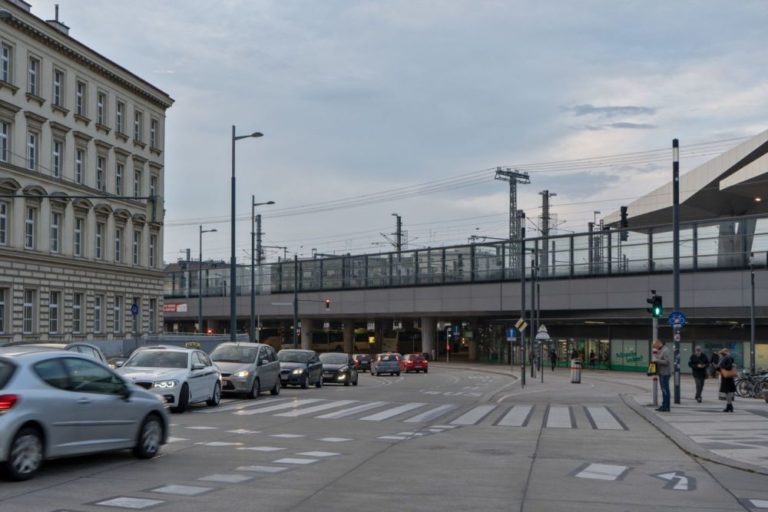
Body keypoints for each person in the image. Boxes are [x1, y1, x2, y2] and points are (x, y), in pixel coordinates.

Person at [652, 339, 672, 411]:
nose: (654, 347)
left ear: (658, 343)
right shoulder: (661, 350)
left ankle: (666, 406)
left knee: (665, 390)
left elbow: (667, 362)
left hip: (665, 373)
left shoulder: (665, 350)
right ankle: (664, 405)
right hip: (661, 373)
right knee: (664, 390)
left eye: (655, 345)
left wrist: (657, 360)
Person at [717, 348, 736, 412]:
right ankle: (729, 405)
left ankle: (729, 405)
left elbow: (729, 366)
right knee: (728, 391)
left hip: (726, 377)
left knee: (727, 391)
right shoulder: (728, 358)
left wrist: (721, 367)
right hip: (727, 376)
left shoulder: (726, 358)